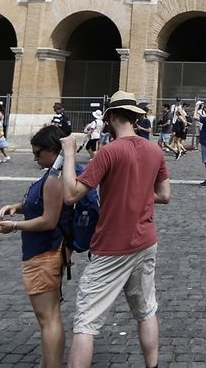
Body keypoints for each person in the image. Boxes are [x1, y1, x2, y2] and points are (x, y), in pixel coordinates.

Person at [59, 91, 171, 368]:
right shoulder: (154, 150)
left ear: (110, 117)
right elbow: (164, 195)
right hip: (145, 242)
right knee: (146, 311)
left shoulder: (108, 152)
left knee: (85, 322)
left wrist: (70, 153)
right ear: (135, 117)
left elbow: (71, 194)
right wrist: (137, 193)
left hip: (112, 247)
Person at [0, 126, 69, 368]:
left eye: (38, 153)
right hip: (49, 250)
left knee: (48, 318)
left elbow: (49, 220)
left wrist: (14, 226)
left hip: (44, 253)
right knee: (50, 317)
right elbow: (41, 204)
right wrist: (17, 207)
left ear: (53, 150)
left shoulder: (55, 179)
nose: (35, 158)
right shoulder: (55, 174)